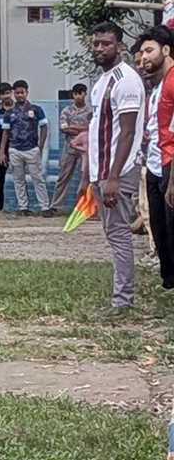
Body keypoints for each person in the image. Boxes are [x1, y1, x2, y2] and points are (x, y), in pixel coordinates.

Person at [80, 21, 144, 315]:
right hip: (100, 170)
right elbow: (99, 130)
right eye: (96, 44)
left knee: (118, 234)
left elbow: (128, 133)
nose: (100, 48)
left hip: (116, 170)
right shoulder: (102, 81)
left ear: (119, 46)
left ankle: (122, 301)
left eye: (106, 43)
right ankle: (121, 298)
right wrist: (89, 176)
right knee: (112, 233)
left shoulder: (126, 80)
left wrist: (113, 178)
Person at [135, 28, 172, 280]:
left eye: (149, 51)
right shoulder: (159, 86)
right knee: (160, 231)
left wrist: (172, 180)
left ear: (166, 50)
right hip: (155, 164)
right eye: (141, 54)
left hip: (169, 165)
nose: (144, 58)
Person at [0, 80, 50, 216]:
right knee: (18, 179)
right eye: (17, 93)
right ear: (13, 94)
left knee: (38, 178)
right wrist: (2, 152)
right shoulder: (9, 113)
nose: (19, 95)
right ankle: (23, 207)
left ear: (27, 92)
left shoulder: (36, 109)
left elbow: (44, 127)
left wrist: (40, 145)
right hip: (15, 149)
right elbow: (5, 132)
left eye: (22, 92)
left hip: (32, 149)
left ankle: (45, 207)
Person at [50, 83, 92, 214]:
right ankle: (56, 205)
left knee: (85, 178)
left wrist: (74, 127)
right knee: (63, 176)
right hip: (69, 148)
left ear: (85, 94)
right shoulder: (67, 110)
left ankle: (83, 207)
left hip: (85, 150)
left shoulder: (91, 111)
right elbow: (64, 128)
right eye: (76, 94)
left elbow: (91, 128)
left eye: (81, 93)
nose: (78, 96)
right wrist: (81, 128)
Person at [0, 83, 16, 210]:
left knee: (19, 177)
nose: (6, 96)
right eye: (3, 94)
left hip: (16, 146)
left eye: (8, 93)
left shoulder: (18, 108)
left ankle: (22, 207)